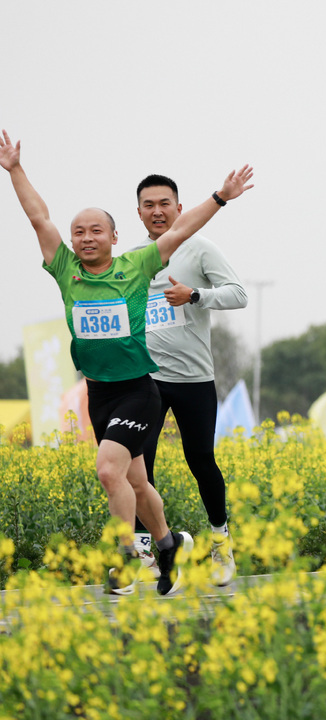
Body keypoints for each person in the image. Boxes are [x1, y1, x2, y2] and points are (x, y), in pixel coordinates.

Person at [0, 128, 253, 594]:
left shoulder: (136, 266)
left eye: (97, 230)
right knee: (138, 479)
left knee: (110, 469)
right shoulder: (65, 270)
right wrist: (15, 169)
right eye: (80, 232)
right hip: (100, 392)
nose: (87, 238)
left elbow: (182, 230)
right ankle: (168, 543)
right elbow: (39, 218)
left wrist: (220, 196)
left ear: (116, 236)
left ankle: (129, 558)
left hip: (141, 388)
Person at [129, 174, 246, 586]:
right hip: (147, 381)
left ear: (180, 208)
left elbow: (238, 294)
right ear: (139, 212)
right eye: (148, 204)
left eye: (165, 203)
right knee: (138, 466)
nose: (157, 211)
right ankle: (151, 552)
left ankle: (220, 539)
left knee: (200, 462)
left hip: (194, 378)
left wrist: (195, 295)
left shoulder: (199, 249)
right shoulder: (134, 259)